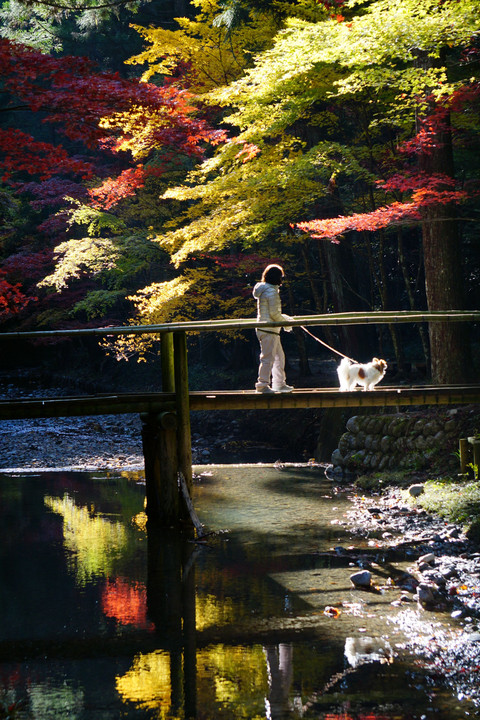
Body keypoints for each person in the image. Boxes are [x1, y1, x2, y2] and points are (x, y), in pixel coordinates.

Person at [253, 264, 294, 393]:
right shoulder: (271, 291)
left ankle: (279, 384)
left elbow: (273, 313)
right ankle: (262, 385)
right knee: (268, 358)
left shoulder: (267, 289)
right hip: (268, 329)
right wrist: (287, 323)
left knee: (279, 358)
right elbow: (274, 314)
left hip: (269, 329)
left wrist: (286, 319)